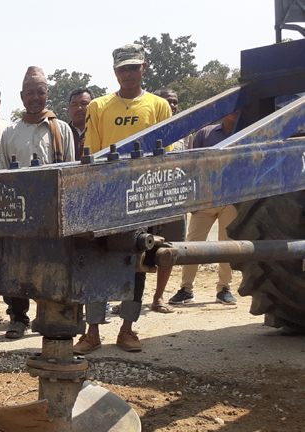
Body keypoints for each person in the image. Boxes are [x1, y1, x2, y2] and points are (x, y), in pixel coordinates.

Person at [75, 44, 174, 354]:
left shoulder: (158, 106)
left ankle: (128, 330)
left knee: (139, 264)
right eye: (122, 68)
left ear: (143, 67)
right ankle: (92, 332)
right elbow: (90, 155)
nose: (128, 73)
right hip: (106, 199)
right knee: (97, 261)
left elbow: (165, 157)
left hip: (144, 198)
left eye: (134, 67)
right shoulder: (99, 107)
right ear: (115, 71)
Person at [0, 67, 75, 340]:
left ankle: (50, 315)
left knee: (54, 264)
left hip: (53, 212)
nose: (35, 97)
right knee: (18, 264)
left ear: (47, 94)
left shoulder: (62, 129)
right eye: (30, 93)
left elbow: (69, 173)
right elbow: (4, 176)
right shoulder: (10, 133)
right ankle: (18, 318)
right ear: (21, 96)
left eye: (40, 92)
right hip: (20, 213)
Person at [169, 111, 241, 306]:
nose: (236, 112)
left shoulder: (244, 132)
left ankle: (224, 288)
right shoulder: (206, 134)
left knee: (227, 245)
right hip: (205, 199)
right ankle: (186, 289)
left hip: (232, 199)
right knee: (193, 244)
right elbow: (192, 165)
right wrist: (191, 199)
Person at [67, 87, 93, 158]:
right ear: (69, 109)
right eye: (74, 105)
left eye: (84, 103)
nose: (79, 108)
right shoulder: (62, 133)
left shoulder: (101, 131)